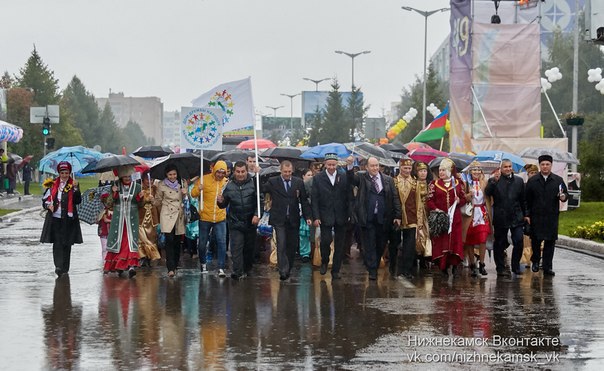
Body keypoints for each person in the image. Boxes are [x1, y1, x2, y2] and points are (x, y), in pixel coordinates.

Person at [347, 156, 401, 281]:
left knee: (381, 245)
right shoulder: (361, 177)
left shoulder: (388, 180)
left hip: (383, 218)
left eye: (377, 165)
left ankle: (374, 265)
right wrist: (349, 167)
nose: (375, 168)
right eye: (372, 166)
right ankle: (372, 270)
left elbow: (395, 197)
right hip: (368, 218)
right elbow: (351, 179)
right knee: (369, 244)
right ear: (367, 167)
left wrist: (398, 215)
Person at [263, 160, 312, 281]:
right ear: (281, 170)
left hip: (293, 219)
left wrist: (308, 217)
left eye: (289, 172)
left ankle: (288, 268)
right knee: (281, 243)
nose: (287, 174)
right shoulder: (273, 181)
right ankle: (283, 270)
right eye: (285, 172)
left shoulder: (298, 182)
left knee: (291, 245)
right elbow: (261, 188)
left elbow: (304, 201)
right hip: (279, 219)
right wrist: (256, 174)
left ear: (292, 171)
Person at [525, 154, 568, 276]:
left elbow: (565, 194)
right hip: (536, 215)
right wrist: (527, 214)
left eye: (547, 164)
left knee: (550, 242)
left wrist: (563, 197)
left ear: (551, 165)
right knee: (536, 241)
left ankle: (547, 266)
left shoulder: (558, 180)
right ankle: (535, 261)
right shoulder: (533, 181)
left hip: (551, 216)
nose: (545, 167)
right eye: (543, 164)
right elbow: (526, 199)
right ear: (540, 166)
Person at [217, 161, 261, 280]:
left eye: (243, 172)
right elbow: (223, 204)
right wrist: (220, 201)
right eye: (238, 172)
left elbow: (259, 200)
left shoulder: (254, 183)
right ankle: (237, 271)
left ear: (247, 171)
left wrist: (257, 214)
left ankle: (247, 269)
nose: (240, 174)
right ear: (234, 172)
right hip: (235, 222)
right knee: (236, 248)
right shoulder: (229, 185)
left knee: (248, 249)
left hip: (250, 221)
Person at [40, 161, 83, 277]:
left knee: (66, 243)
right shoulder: (52, 184)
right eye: (62, 172)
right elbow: (45, 200)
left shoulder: (73, 184)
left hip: (69, 219)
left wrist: (75, 189)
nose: (64, 175)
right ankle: (58, 266)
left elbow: (78, 201)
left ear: (69, 173)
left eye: (67, 173)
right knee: (57, 243)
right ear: (59, 173)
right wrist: (48, 205)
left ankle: (65, 267)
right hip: (55, 219)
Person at [311, 153, 350, 280]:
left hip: (341, 214)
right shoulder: (318, 178)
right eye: (329, 165)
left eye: (334, 164)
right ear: (325, 164)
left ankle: (336, 270)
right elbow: (314, 199)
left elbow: (349, 196)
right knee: (326, 240)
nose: (332, 167)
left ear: (337, 164)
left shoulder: (343, 177)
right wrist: (316, 217)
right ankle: (324, 261)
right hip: (325, 214)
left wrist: (349, 213)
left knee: (340, 244)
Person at [484, 159, 526, 276]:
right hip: (501, 217)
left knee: (518, 241)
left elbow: (523, 200)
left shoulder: (519, 181)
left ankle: (515, 266)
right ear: (501, 169)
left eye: (509, 166)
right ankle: (500, 267)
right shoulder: (494, 180)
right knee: (500, 243)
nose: (508, 169)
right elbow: (487, 193)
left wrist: (525, 214)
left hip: (516, 216)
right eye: (505, 167)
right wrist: (493, 182)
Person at [426, 158, 466, 277]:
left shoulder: (458, 183)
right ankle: (443, 266)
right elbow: (429, 200)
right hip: (441, 219)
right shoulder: (434, 184)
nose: (441, 173)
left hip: (455, 219)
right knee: (441, 242)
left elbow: (464, 198)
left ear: (449, 171)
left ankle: (455, 265)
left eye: (443, 170)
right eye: (440, 170)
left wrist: (460, 201)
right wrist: (437, 210)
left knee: (455, 241)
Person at [103, 166, 143, 278]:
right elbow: (109, 204)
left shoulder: (138, 187)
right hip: (118, 220)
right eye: (125, 176)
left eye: (129, 176)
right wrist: (113, 194)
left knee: (130, 242)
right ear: (120, 177)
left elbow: (141, 205)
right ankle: (118, 266)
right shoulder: (115, 186)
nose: (127, 178)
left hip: (131, 220)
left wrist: (141, 199)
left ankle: (131, 266)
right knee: (118, 242)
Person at [191, 160, 228, 276]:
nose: (220, 175)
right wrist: (198, 189)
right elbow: (193, 194)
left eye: (223, 172)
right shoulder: (204, 179)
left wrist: (224, 200)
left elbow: (230, 198)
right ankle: (203, 263)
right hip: (205, 216)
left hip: (220, 217)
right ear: (214, 170)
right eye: (219, 172)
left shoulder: (227, 182)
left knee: (222, 242)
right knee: (202, 243)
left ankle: (221, 267)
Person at [154, 164, 188, 278]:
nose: (172, 176)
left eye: (174, 174)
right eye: (170, 174)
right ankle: (170, 268)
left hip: (179, 214)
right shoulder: (161, 184)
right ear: (166, 175)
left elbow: (187, 199)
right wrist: (152, 200)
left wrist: (185, 193)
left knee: (177, 241)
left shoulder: (182, 183)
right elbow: (158, 202)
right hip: (167, 214)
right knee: (169, 240)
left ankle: (176, 263)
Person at [392, 157, 421, 279]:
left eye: (409, 168)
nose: (407, 170)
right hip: (397, 218)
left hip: (411, 217)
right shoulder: (393, 181)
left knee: (409, 246)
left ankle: (407, 270)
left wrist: (419, 220)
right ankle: (394, 268)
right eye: (405, 168)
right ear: (400, 168)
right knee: (395, 243)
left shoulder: (415, 183)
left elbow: (419, 202)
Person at [461, 161, 492, 277]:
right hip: (470, 214)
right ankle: (472, 264)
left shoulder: (485, 182)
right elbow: (462, 197)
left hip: (483, 213)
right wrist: (468, 195)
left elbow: (490, 196)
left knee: (482, 239)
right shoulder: (466, 183)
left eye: (479, 170)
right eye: (474, 170)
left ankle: (482, 264)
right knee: (470, 240)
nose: (477, 172)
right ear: (470, 171)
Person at [138, 172, 161, 267]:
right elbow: (137, 204)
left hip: (152, 218)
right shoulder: (139, 189)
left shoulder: (155, 189)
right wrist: (141, 198)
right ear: (143, 180)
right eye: (147, 179)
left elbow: (159, 202)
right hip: (141, 218)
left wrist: (153, 200)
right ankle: (142, 257)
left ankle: (149, 257)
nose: (149, 182)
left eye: (151, 180)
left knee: (151, 239)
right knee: (142, 239)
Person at [413, 161, 432, 268]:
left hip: (428, 212)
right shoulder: (414, 184)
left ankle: (426, 256)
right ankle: (416, 256)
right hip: (417, 212)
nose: (423, 173)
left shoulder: (431, 184)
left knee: (427, 234)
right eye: (420, 171)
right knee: (418, 235)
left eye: (424, 171)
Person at [521, 164, 539, 268]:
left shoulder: (540, 185)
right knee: (527, 238)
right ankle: (527, 259)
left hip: (538, 215)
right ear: (528, 174)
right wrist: (525, 214)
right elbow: (523, 202)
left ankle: (537, 259)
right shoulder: (524, 185)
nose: (533, 175)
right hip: (527, 215)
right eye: (531, 173)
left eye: (535, 173)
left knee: (538, 239)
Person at [301, 168, 314, 263]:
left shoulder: (314, 185)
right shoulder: (301, 185)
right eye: (308, 175)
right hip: (302, 213)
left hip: (313, 212)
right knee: (303, 234)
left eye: (311, 175)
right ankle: (304, 253)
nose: (310, 177)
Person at [97, 192, 113, 261]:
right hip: (103, 231)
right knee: (104, 248)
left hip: (111, 231)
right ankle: (105, 261)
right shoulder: (102, 210)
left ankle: (109, 261)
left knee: (110, 248)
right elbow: (105, 220)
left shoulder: (112, 209)